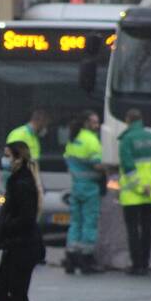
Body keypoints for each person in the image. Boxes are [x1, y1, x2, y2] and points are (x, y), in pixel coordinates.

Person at [0, 141, 55, 301]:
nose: (4, 160)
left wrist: (7, 225)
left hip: (23, 247)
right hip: (14, 246)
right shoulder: (17, 180)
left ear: (18, 158)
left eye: (8, 155)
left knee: (17, 296)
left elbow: (26, 218)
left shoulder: (23, 183)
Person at [118, 109, 151, 276]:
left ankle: (136, 265)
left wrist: (139, 187)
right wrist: (150, 185)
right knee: (147, 230)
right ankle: (145, 264)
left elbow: (128, 167)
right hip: (150, 193)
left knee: (133, 230)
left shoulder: (126, 139)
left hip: (132, 195)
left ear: (128, 120)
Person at [63, 111, 104, 274]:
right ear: (87, 123)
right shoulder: (92, 140)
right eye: (95, 122)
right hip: (90, 188)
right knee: (89, 223)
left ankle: (71, 257)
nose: (97, 125)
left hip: (76, 187)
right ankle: (86, 259)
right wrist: (110, 167)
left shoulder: (73, 139)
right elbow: (96, 165)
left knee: (75, 223)